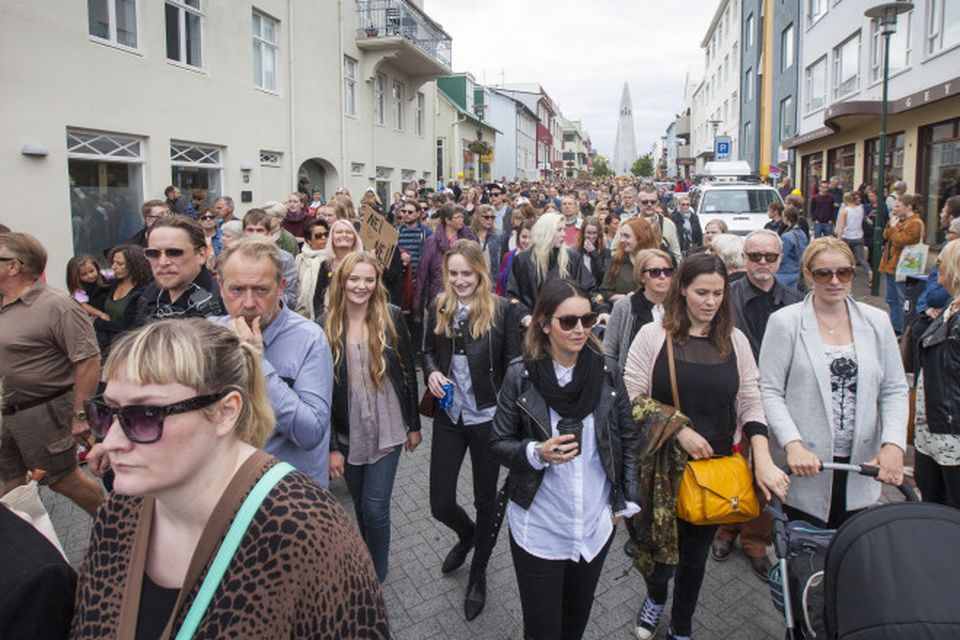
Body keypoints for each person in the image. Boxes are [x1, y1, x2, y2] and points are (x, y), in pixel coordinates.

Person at [71, 319, 389, 638]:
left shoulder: (307, 532)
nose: (112, 441)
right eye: (106, 412)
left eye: (145, 416)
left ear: (226, 412)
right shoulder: (117, 515)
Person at [623, 253, 788, 640]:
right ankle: (656, 598)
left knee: (695, 557)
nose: (710, 301)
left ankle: (682, 624)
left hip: (713, 467)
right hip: (660, 466)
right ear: (682, 290)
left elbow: (750, 399)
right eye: (701, 292)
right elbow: (630, 395)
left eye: (717, 293)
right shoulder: (653, 335)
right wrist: (677, 429)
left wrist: (760, 454)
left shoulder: (734, 340)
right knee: (657, 552)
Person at [490, 278, 640, 640]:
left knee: (574, 624)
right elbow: (498, 442)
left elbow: (628, 437)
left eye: (587, 320)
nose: (579, 330)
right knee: (542, 631)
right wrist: (536, 453)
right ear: (544, 324)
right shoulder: (521, 375)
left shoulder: (606, 373)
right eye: (568, 321)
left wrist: (628, 498)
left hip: (593, 525)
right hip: (540, 525)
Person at [759, 237, 908, 529]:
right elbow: (770, 390)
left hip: (862, 464)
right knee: (807, 553)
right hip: (806, 466)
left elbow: (894, 388)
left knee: (856, 554)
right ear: (807, 274)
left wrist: (893, 444)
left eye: (844, 273)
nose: (835, 281)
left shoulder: (876, 321)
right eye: (823, 274)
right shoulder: (785, 322)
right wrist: (793, 444)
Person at [422, 240, 525, 620]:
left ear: (481, 272)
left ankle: (479, 572)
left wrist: (513, 418)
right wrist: (432, 370)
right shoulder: (440, 305)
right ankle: (466, 535)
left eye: (467, 273)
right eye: (453, 273)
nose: (460, 280)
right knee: (439, 502)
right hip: (451, 417)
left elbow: (515, 364)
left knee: (486, 501)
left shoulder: (501, 311)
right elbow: (427, 351)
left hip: (488, 421)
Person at [323, 252, 421, 582]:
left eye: (368, 279)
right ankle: (367, 556)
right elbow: (322, 394)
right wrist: (332, 446)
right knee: (363, 508)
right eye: (354, 278)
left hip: (389, 426)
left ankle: (376, 576)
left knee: (376, 507)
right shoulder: (326, 325)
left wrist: (415, 425)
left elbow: (408, 372)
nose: (361, 286)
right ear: (341, 281)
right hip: (349, 432)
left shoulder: (391, 316)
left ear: (377, 283)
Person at [712, 229, 802, 580]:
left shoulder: (795, 300)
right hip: (733, 396)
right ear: (744, 259)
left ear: (780, 259)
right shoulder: (726, 297)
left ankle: (754, 540)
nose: (762, 263)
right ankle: (726, 529)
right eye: (755, 256)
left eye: (770, 256)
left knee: (767, 471)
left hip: (779, 399)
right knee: (732, 465)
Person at [212, 237, 334, 487]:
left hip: (288, 496)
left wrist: (257, 363)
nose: (248, 303)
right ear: (221, 286)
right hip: (226, 490)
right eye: (236, 290)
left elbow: (310, 432)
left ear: (281, 287)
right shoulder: (210, 335)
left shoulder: (309, 339)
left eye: (261, 290)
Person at [0, 233, 105, 517]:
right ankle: (27, 548)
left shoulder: (56, 305)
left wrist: (80, 414)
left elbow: (88, 360)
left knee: (62, 480)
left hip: (43, 412)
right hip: (7, 415)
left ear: (14, 266)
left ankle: (119, 529)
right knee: (11, 486)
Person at [915, 239, 960, 508]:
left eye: (940, 262)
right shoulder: (950, 308)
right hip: (933, 427)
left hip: (951, 431)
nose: (936, 268)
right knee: (934, 503)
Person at [129, 215, 223, 328]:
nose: (162, 262)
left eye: (174, 252)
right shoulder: (148, 295)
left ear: (201, 254)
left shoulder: (224, 301)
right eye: (153, 253)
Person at [507, 212, 599, 315]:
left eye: (564, 229)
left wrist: (601, 309)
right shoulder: (523, 260)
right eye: (559, 230)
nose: (564, 234)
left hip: (566, 323)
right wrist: (523, 316)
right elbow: (512, 297)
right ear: (546, 232)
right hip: (533, 324)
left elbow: (590, 289)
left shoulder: (572, 258)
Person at [603, 249, 672, 371]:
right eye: (655, 272)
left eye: (667, 272)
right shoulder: (624, 307)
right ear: (642, 276)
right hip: (631, 379)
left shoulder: (678, 307)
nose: (662, 276)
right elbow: (609, 351)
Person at [412, 204, 476, 320]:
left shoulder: (469, 238)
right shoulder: (432, 241)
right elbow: (422, 273)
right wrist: (417, 305)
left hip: (465, 293)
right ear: (447, 220)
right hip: (439, 294)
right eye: (458, 217)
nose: (462, 220)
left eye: (462, 217)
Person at [879, 194, 925, 334]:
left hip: (903, 267)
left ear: (908, 207)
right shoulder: (897, 220)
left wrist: (894, 228)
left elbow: (901, 240)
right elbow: (886, 236)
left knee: (902, 300)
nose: (895, 210)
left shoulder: (915, 223)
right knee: (891, 299)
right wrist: (892, 225)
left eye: (898, 207)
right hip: (890, 265)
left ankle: (903, 329)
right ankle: (895, 328)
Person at [92, 245, 152, 351]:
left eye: (120, 264)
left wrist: (97, 322)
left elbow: (131, 327)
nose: (114, 267)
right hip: (105, 345)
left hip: (127, 347)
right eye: (113, 262)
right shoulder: (111, 285)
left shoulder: (144, 292)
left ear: (133, 266)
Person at [242, 209, 299, 309]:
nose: (255, 234)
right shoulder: (234, 258)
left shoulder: (284, 259)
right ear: (244, 232)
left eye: (260, 230)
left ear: (268, 233)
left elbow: (291, 298)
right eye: (250, 230)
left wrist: (264, 297)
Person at [311, 218, 363, 319]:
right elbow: (317, 299)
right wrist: (322, 319)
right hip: (331, 320)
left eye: (348, 232)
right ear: (332, 237)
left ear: (355, 238)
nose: (344, 235)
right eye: (339, 232)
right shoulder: (326, 265)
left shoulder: (362, 264)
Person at [601, 217, 662, 303]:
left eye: (627, 236)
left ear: (641, 238)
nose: (622, 240)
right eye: (621, 235)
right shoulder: (617, 260)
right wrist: (625, 298)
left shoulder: (659, 261)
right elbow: (604, 292)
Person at [294, 218, 329, 319]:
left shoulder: (333, 259)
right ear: (308, 240)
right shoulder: (300, 259)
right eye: (318, 236)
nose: (323, 238)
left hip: (324, 314)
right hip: (301, 315)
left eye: (326, 234)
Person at [66, 253, 110, 321]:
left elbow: (115, 274)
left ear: (96, 268)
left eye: (92, 271)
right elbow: (83, 305)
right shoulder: (78, 289)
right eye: (84, 274)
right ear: (76, 277)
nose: (90, 276)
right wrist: (100, 314)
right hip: (95, 316)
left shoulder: (104, 275)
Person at [496, 218, 535, 297]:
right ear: (518, 236)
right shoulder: (508, 256)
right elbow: (499, 285)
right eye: (524, 237)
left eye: (531, 237)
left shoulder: (540, 259)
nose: (527, 241)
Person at [776, 207, 808, 290]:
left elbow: (782, 256)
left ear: (786, 218)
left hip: (784, 272)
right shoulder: (802, 234)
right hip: (796, 271)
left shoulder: (786, 236)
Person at [574, 215, 610, 288]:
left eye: (594, 233)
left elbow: (604, 276)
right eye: (588, 233)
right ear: (583, 233)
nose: (591, 236)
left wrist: (593, 253)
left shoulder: (605, 253)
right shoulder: (575, 251)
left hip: (597, 291)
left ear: (599, 234)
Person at [470, 203, 502, 286]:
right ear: (478, 218)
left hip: (492, 281)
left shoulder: (498, 235)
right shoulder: (469, 235)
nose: (490, 220)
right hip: (473, 278)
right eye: (486, 217)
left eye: (492, 217)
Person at [836, 191, 866, 268]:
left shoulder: (845, 211)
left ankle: (847, 271)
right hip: (858, 236)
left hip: (847, 237)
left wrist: (838, 239)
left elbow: (841, 226)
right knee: (860, 258)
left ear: (845, 200)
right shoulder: (860, 208)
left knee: (844, 257)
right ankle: (869, 271)